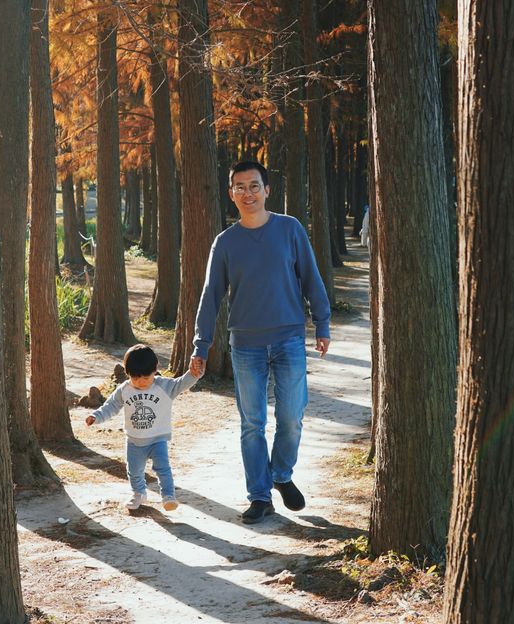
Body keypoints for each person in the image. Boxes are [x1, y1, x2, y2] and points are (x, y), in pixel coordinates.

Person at [190, 160, 331, 525]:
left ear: (267, 190)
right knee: (252, 424)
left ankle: (281, 474)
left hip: (288, 339)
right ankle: (260, 495)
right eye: (240, 186)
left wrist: (322, 322)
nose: (247, 193)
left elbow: (311, 277)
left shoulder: (290, 229)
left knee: (292, 418)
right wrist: (200, 345)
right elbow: (211, 295)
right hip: (246, 345)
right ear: (231, 193)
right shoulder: (225, 243)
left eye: (254, 186)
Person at [86, 343, 201, 512]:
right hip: (134, 440)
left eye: (146, 378)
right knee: (134, 471)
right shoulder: (124, 390)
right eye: (136, 378)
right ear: (127, 373)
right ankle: (138, 493)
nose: (141, 382)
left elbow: (181, 383)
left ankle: (168, 496)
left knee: (163, 468)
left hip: (158, 439)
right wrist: (96, 417)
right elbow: (111, 406)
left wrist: (194, 374)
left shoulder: (164, 386)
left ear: (155, 370)